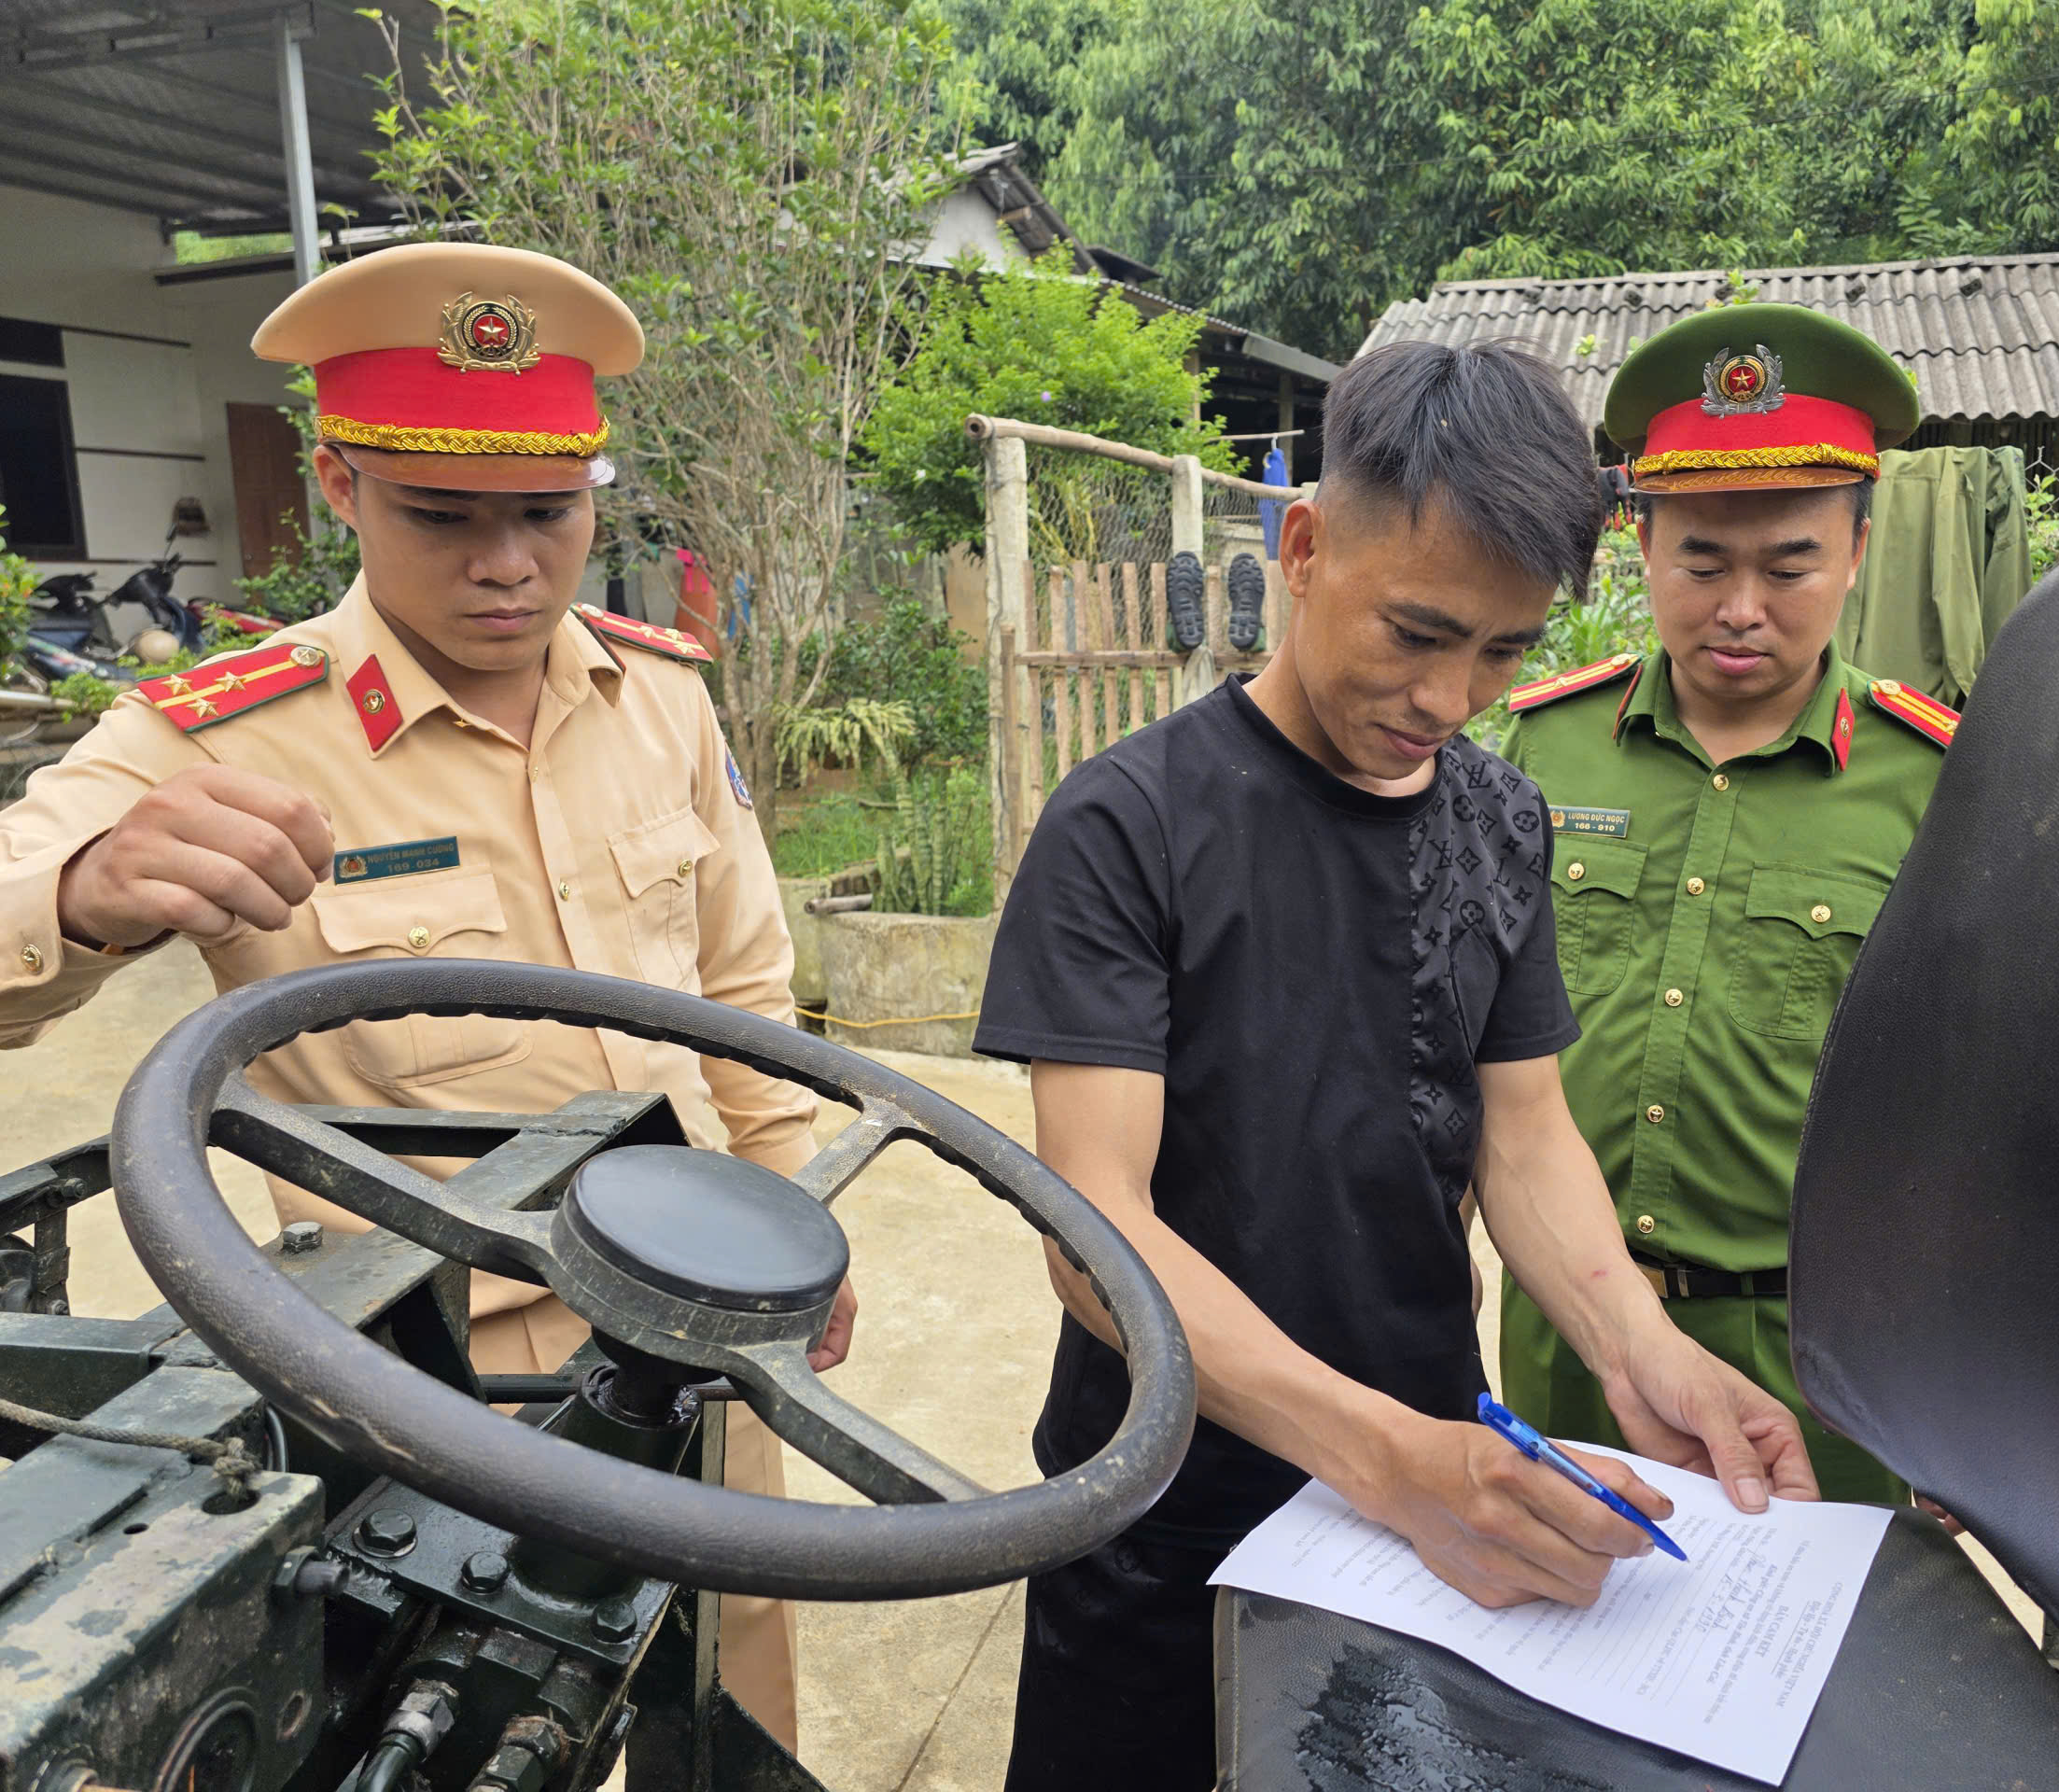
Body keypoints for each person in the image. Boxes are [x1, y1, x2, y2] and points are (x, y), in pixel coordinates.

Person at [0, 242, 838, 1751]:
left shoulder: (662, 695)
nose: (508, 564)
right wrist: (79, 892)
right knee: (455, 1727)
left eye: (549, 514)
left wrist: (797, 1218)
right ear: (337, 484)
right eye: (441, 517)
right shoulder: (225, 737)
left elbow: (745, 985)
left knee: (726, 1704)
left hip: (699, 1326)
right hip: (439, 1373)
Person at [973, 338, 1821, 1791]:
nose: (1453, 697)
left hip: (1434, 1505)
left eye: (1503, 651)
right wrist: (1384, 1461)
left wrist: (1640, 1346)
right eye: (1418, 634)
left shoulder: (1498, 815)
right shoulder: (1130, 824)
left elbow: (1526, 1134)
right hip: (1163, 1508)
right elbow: (1093, 1229)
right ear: (1304, 550)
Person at [1498, 303, 1956, 1505]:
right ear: (1640, 545)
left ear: (1857, 550)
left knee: (1804, 1674)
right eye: (1702, 560)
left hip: (1817, 1358)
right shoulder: (1542, 750)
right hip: (1566, 1331)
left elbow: (1969, 1103)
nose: (1741, 606)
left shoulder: (1937, 788)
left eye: (1789, 564)